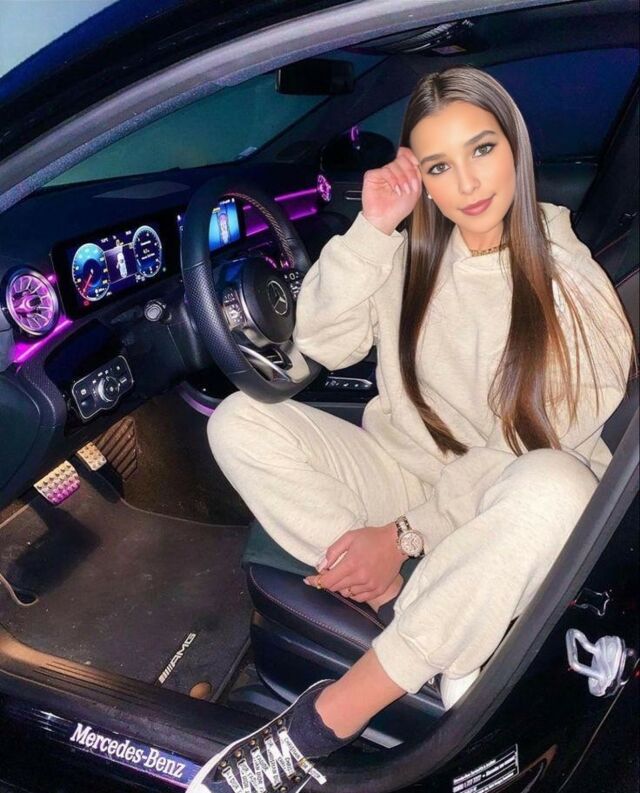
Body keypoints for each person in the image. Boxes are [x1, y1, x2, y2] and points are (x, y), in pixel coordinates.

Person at [187, 65, 635, 793]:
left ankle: (319, 723)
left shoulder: (569, 285)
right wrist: (373, 228)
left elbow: (521, 452)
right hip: (403, 473)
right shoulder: (416, 249)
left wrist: (403, 535)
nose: (468, 182)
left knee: (558, 484)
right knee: (239, 420)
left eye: (482, 149)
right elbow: (321, 341)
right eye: (439, 165)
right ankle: (441, 612)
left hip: (502, 501)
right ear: (419, 174)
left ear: (516, 146)